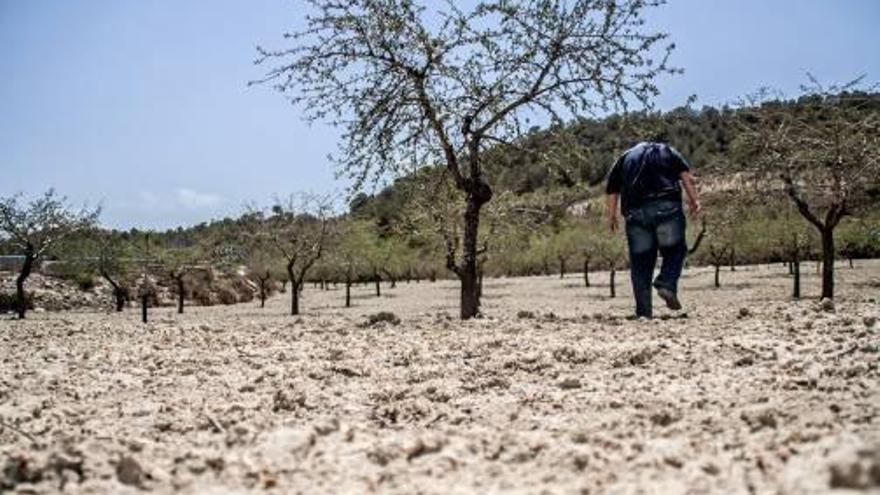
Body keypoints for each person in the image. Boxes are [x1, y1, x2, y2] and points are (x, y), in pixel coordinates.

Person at [605, 140, 701, 318]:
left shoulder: (625, 157)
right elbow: (685, 176)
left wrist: (611, 216)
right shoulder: (667, 151)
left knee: (640, 262)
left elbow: (612, 189)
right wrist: (694, 201)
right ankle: (666, 282)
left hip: (635, 213)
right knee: (675, 249)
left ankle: (644, 313)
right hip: (667, 208)